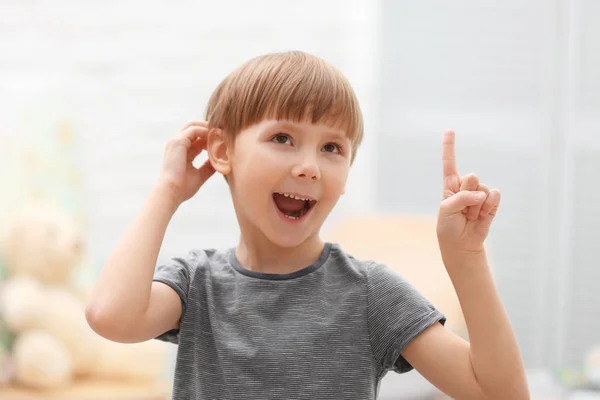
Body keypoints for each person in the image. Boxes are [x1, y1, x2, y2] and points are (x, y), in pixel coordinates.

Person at [85, 51, 529, 399]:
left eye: (332, 147)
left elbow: (501, 393)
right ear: (222, 151)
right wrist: (168, 191)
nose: (309, 167)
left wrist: (465, 259)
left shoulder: (371, 293)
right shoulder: (195, 283)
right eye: (283, 138)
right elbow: (110, 317)